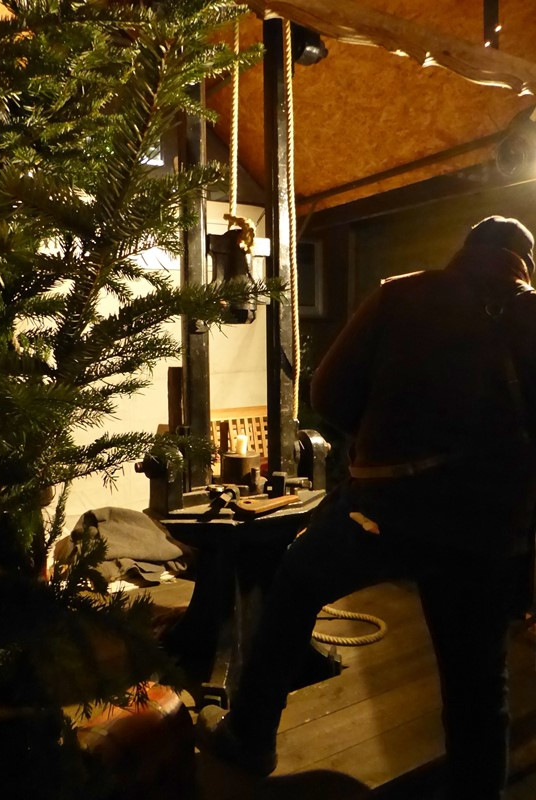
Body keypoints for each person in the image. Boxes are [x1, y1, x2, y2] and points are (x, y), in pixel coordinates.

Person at [195, 216, 536, 800]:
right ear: (522, 263)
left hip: (387, 506)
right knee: (480, 685)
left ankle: (249, 736)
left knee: (298, 580)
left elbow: (327, 393)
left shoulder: (403, 294)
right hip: (487, 530)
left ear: (467, 248)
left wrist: (383, 442)